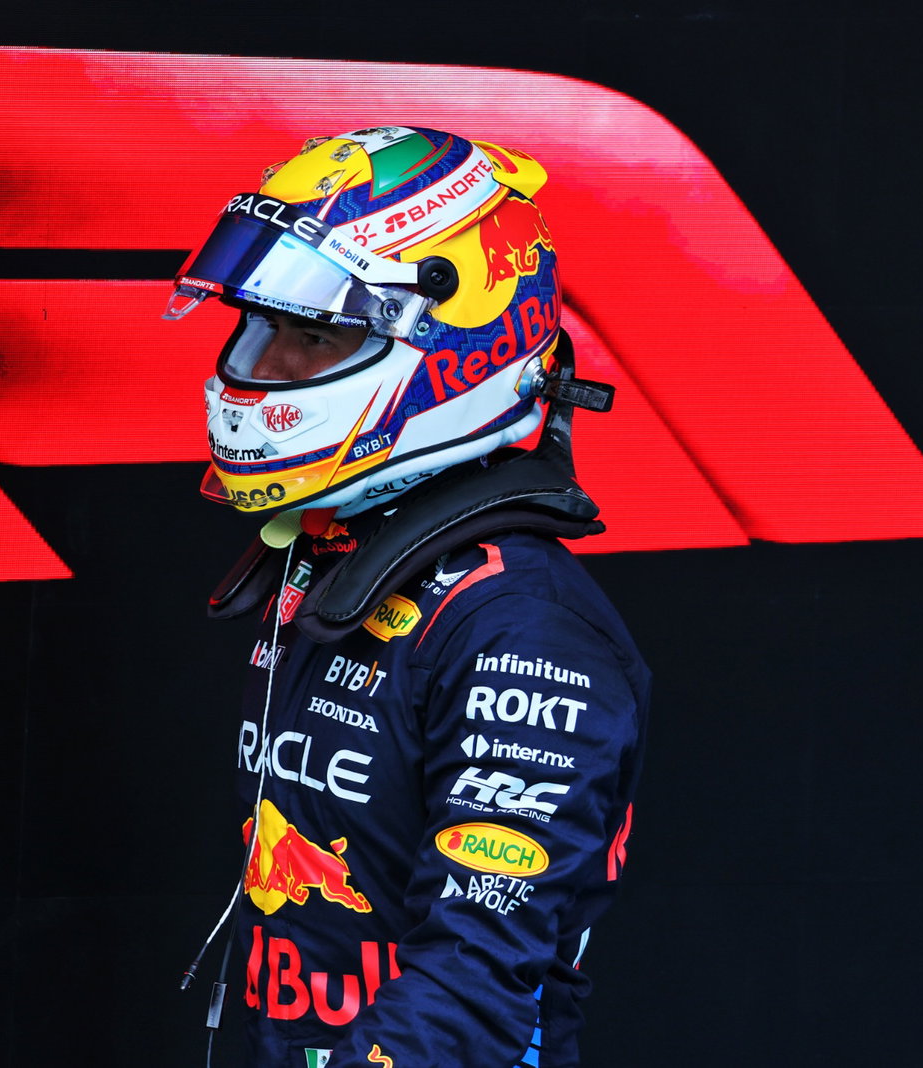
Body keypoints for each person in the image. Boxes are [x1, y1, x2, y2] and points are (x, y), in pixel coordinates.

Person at [166, 126, 650, 1068]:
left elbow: (474, 979)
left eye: (309, 337)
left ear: (457, 348)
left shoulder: (524, 628)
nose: (261, 373)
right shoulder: (342, 561)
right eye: (258, 330)